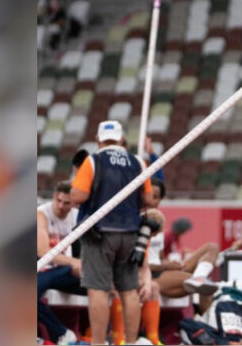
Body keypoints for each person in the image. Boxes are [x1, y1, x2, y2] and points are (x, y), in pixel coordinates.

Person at [69, 120, 156, 345]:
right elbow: (148, 200)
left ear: (98, 139)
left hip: (99, 233)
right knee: (129, 290)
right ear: (121, 139)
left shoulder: (93, 160)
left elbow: (78, 196)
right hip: (129, 233)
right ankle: (131, 341)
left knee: (98, 289)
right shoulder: (137, 162)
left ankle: (98, 342)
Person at [37, 182, 82, 345]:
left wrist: (82, 265)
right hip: (41, 268)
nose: (61, 206)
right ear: (54, 196)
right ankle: (61, 334)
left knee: (102, 285)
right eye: (58, 200)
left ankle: (109, 334)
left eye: (66, 203)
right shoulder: (42, 214)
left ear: (74, 203)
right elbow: (42, 251)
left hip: (64, 271)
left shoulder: (78, 216)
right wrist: (74, 262)